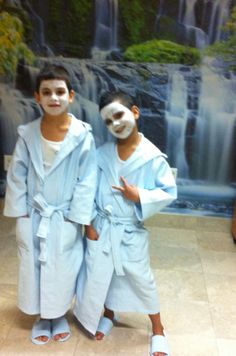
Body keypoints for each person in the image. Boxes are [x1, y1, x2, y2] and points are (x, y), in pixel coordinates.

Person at [73, 90, 177, 356]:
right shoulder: (102, 153)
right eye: (108, 121)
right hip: (102, 225)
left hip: (129, 230)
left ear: (134, 112)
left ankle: (158, 329)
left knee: (141, 279)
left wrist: (139, 195)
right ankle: (109, 313)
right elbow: (88, 188)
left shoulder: (152, 157)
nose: (115, 123)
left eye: (119, 115)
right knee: (103, 275)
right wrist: (89, 225)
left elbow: (168, 191)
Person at [3, 63, 97, 345]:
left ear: (71, 96)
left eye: (59, 92)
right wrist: (20, 213)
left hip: (64, 214)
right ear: (37, 97)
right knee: (33, 264)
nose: (53, 98)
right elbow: (17, 174)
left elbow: (87, 179)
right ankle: (42, 316)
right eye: (47, 92)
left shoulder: (82, 136)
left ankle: (58, 314)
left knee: (64, 264)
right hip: (34, 212)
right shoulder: (27, 134)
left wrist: (77, 218)